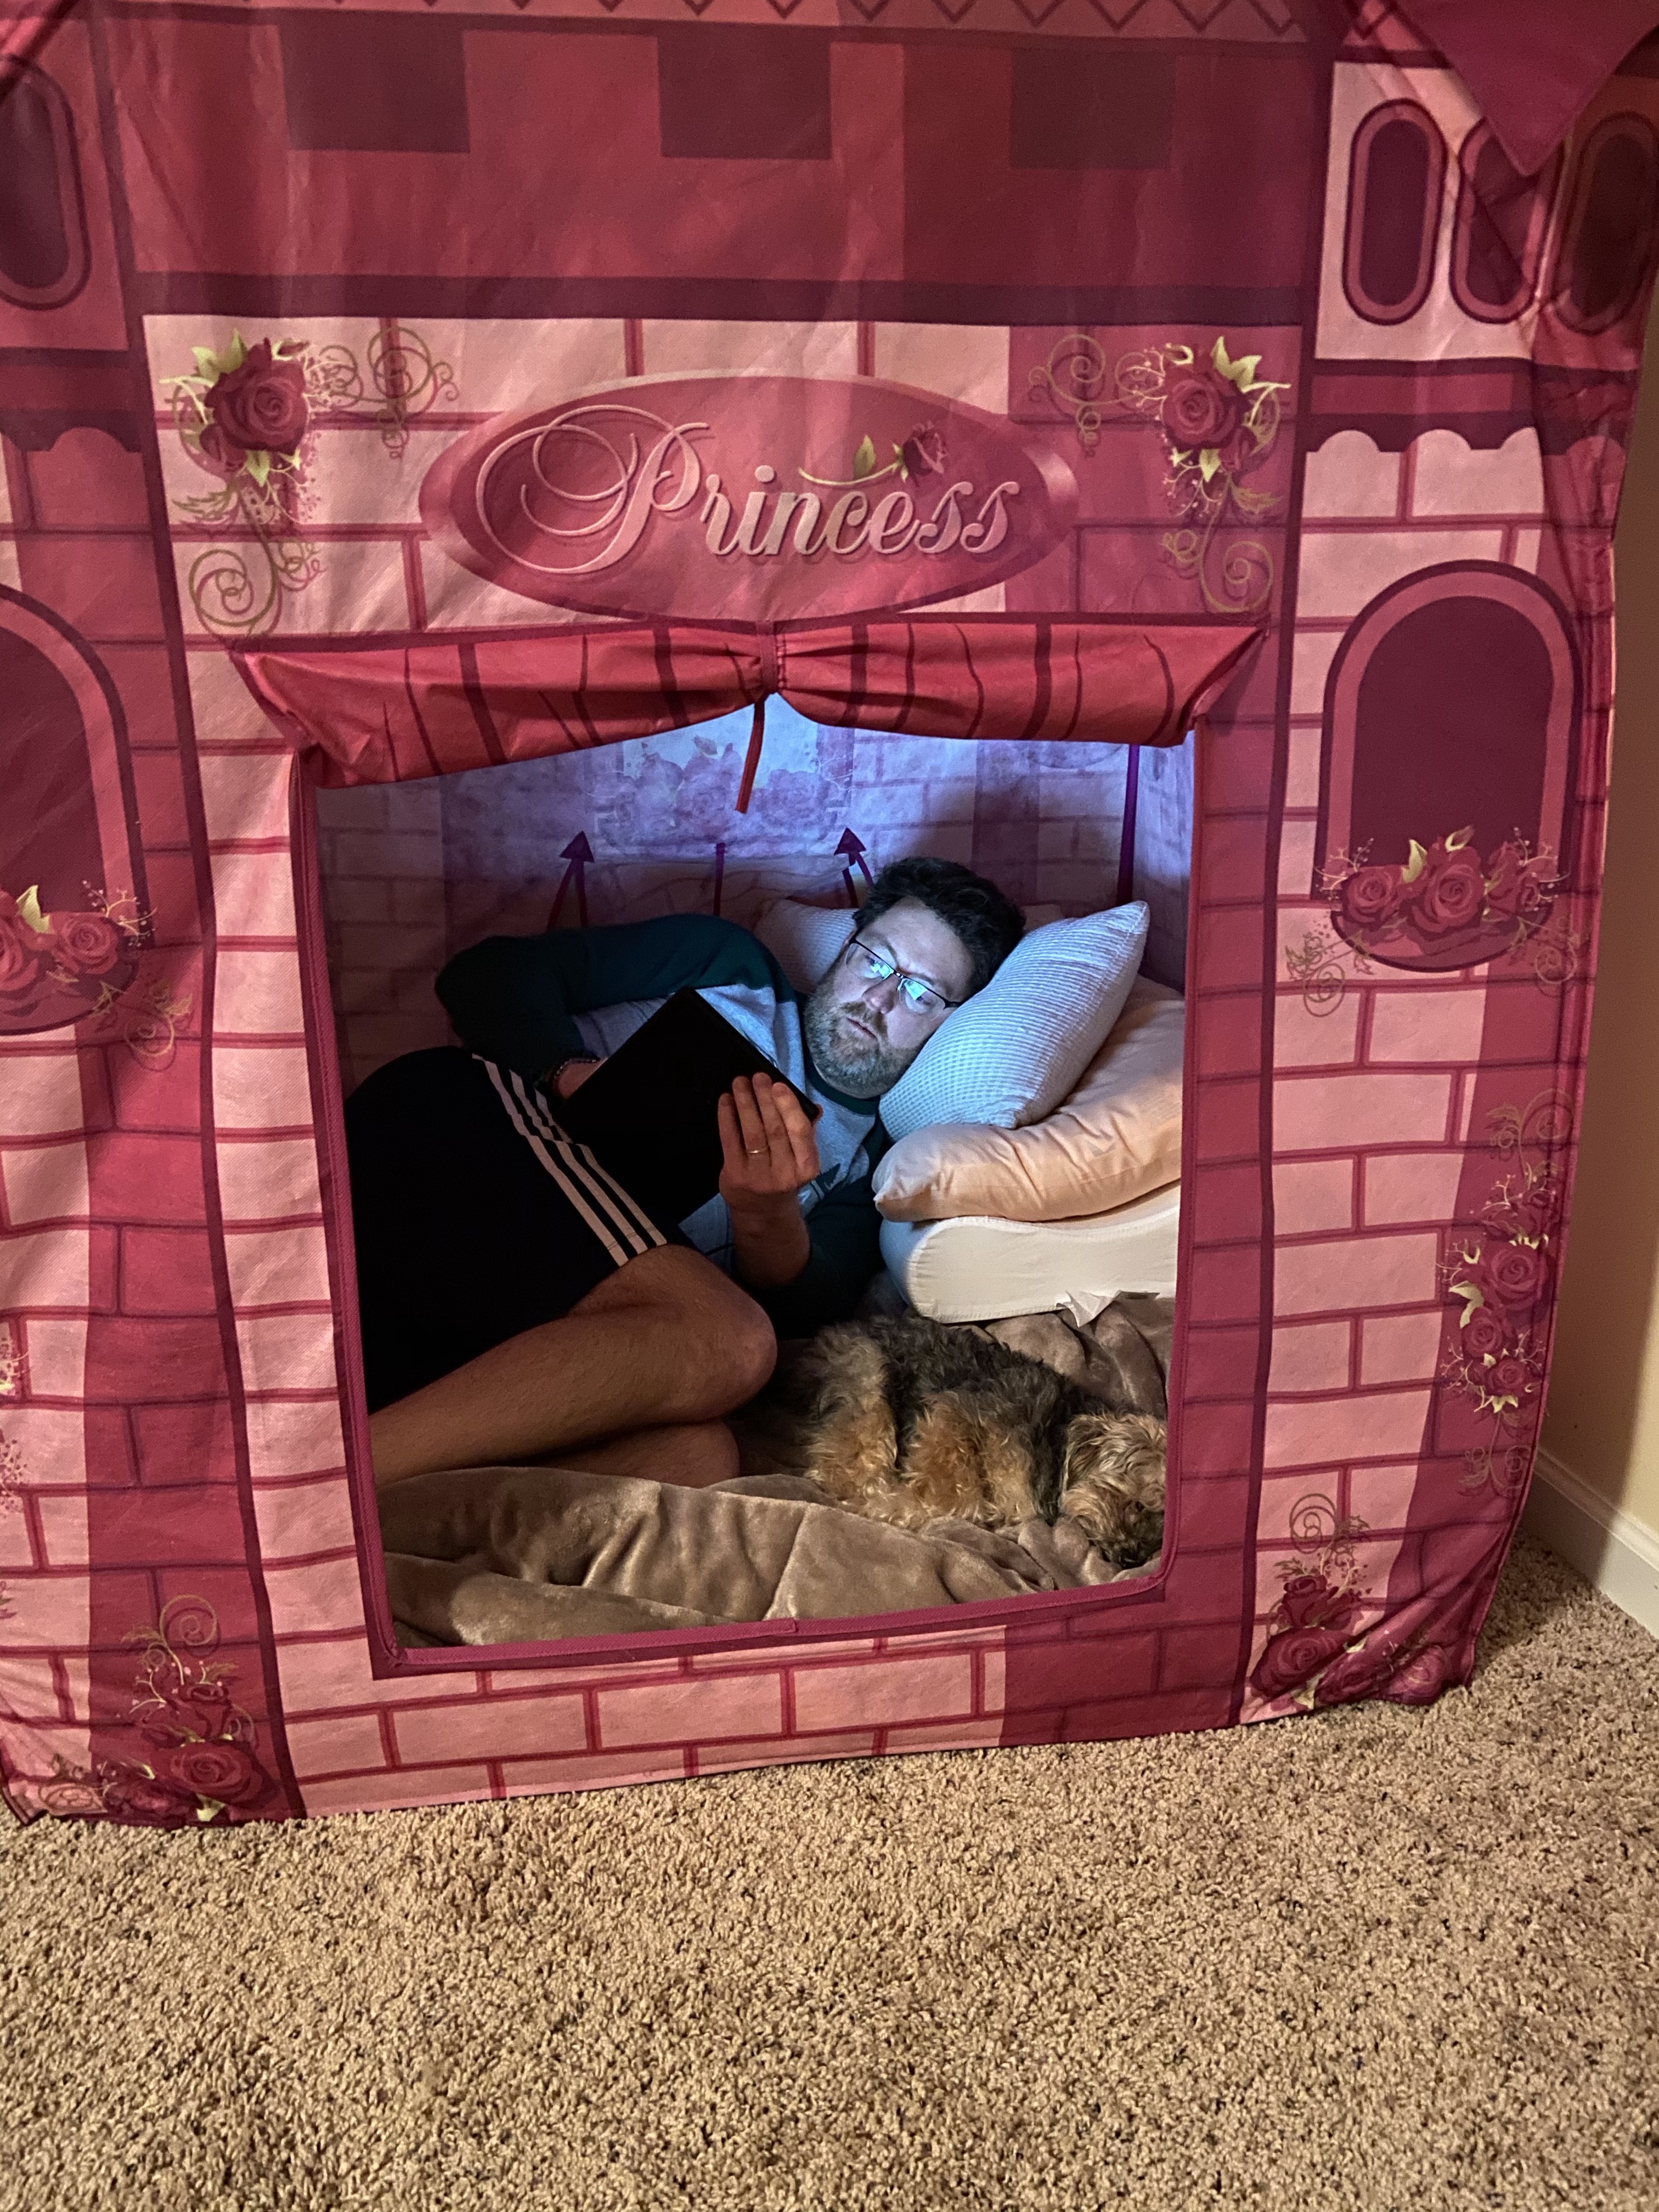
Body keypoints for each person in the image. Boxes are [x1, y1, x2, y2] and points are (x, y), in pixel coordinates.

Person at [348, 856, 1025, 1492]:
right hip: (460, 1140)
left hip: (528, 1308)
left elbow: (807, 1309)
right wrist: (567, 1073)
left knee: (696, 1457)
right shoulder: (730, 965)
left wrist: (766, 1214)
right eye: (873, 959)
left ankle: (362, 1488)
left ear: (954, 1023)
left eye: (919, 993)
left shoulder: (872, 1165)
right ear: (844, 949)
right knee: (731, 1342)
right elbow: (482, 975)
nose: (877, 999)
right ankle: (325, 1489)